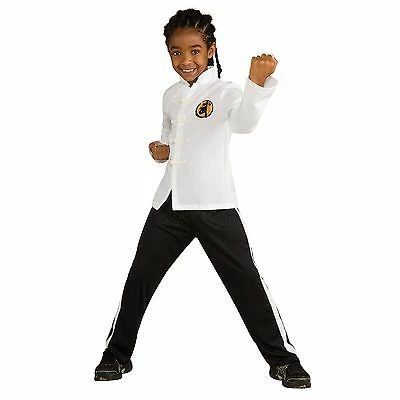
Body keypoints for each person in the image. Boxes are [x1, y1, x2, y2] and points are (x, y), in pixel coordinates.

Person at [94, 8, 311, 389]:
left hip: (213, 205)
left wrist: (257, 83)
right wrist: (160, 150)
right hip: (169, 206)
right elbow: (169, 138)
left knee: (246, 283)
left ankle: (284, 361)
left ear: (211, 50)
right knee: (139, 279)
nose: (186, 60)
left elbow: (243, 124)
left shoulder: (225, 91)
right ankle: (116, 355)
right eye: (176, 52)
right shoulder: (170, 95)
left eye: (194, 50)